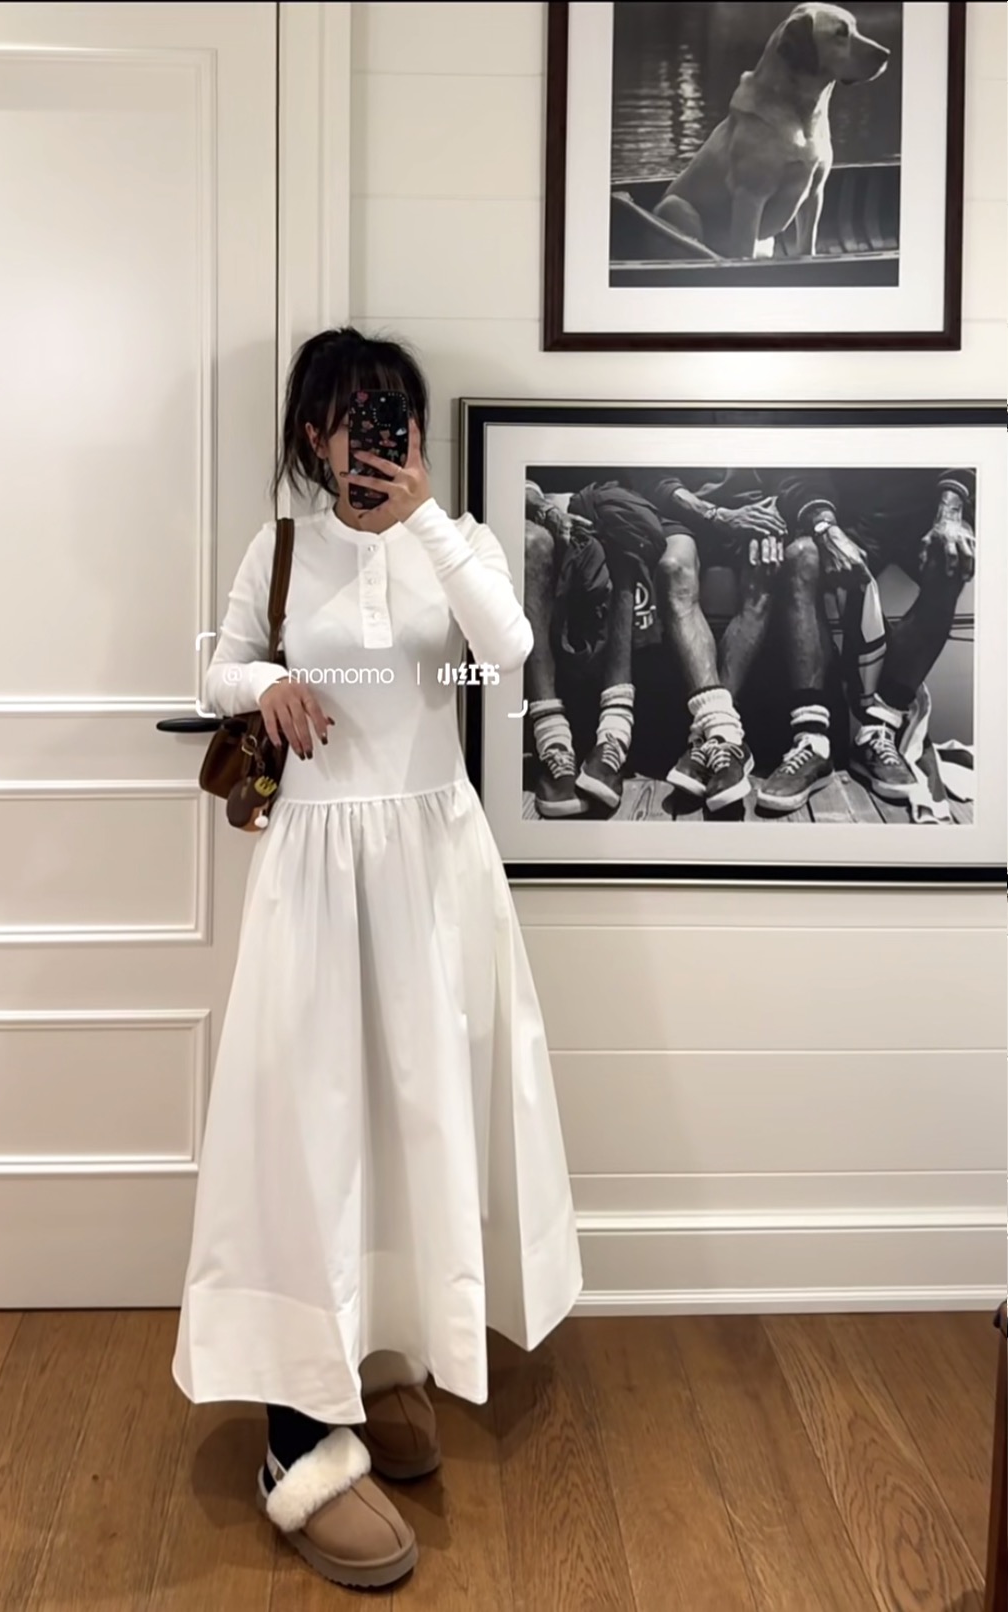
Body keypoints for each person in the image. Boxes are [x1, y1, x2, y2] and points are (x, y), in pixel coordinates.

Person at [171, 328, 583, 1591]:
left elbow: (506, 651)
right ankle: (293, 1438)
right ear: (313, 433)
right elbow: (214, 661)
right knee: (308, 1132)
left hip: (433, 870)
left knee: (418, 1122)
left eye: (394, 411)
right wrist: (265, 685)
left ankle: (384, 1355)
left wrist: (425, 522)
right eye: (355, 414)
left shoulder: (454, 541)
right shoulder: (279, 548)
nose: (378, 434)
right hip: (315, 871)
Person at [772, 466, 976, 804]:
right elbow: (799, 468)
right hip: (848, 517)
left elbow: (967, 446)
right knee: (800, 556)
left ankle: (879, 730)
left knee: (950, 555)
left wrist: (952, 513)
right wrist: (825, 527)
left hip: (927, 512)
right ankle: (812, 739)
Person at [635, 468, 787, 811]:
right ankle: (726, 735)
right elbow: (653, 477)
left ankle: (713, 737)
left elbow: (791, 470)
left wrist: (773, 513)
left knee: (764, 570)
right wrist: (715, 514)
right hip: (682, 512)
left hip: (752, 508)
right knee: (673, 567)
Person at [522, 480, 638, 815]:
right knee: (533, 543)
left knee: (624, 529)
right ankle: (553, 741)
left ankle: (614, 736)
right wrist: (547, 509)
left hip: (599, 501)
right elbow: (509, 478)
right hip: (535, 504)